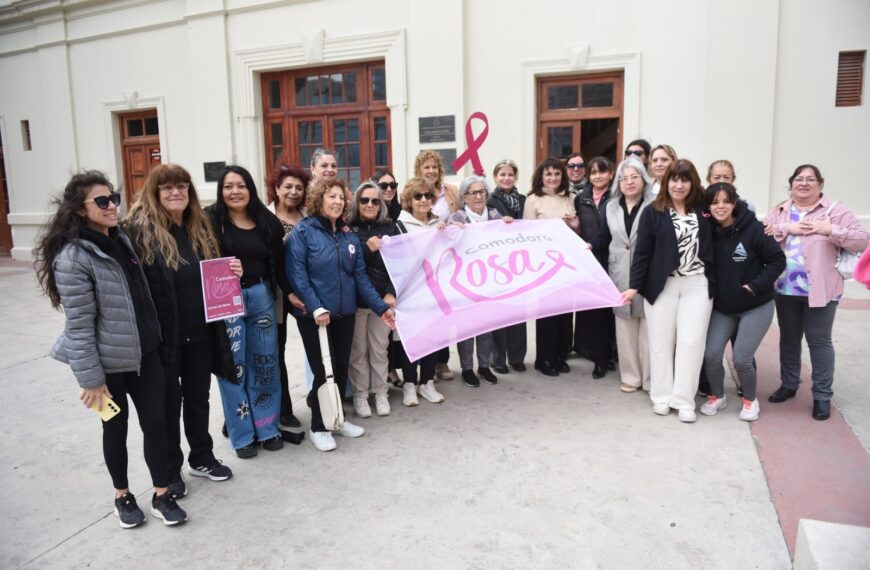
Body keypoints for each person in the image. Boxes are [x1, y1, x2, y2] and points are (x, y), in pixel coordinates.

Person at [36, 171, 187, 528]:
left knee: (157, 423)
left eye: (113, 198)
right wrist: (90, 380)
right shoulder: (73, 258)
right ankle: (123, 496)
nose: (111, 206)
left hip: (145, 356)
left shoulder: (121, 240)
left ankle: (161, 493)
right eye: (102, 201)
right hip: (106, 369)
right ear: (79, 209)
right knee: (114, 428)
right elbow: (79, 326)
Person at [124, 164, 236, 499]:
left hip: (201, 332)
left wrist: (233, 270)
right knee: (168, 405)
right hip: (164, 337)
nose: (176, 192)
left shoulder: (199, 227)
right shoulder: (139, 232)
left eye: (182, 186)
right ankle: (171, 469)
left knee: (199, 399)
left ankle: (201, 457)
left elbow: (214, 274)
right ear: (154, 193)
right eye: (167, 187)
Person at [287, 178, 395, 451]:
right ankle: (319, 427)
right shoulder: (303, 232)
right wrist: (315, 307)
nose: (337, 201)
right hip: (315, 316)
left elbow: (360, 278)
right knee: (323, 372)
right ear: (318, 199)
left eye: (340, 197)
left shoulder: (348, 236)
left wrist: (381, 308)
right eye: (331, 196)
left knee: (341, 368)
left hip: (345, 313)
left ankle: (337, 419)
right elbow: (298, 275)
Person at [763, 164, 869, 420]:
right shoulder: (780, 210)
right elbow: (761, 233)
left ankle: (822, 395)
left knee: (819, 341)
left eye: (810, 179)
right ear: (791, 184)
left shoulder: (836, 211)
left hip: (821, 289)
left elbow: (862, 239)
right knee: (789, 338)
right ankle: (789, 384)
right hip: (785, 289)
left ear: (820, 184)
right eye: (799, 179)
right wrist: (787, 228)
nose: (804, 183)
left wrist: (830, 230)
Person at [623, 159, 715, 423]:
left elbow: (733, 213)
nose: (679, 185)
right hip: (662, 285)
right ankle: (661, 397)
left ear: (692, 182)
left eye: (685, 179)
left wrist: (771, 225)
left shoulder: (704, 210)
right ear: (666, 182)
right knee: (660, 343)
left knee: (691, 343)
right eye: (674, 179)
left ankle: (684, 400)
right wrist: (634, 286)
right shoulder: (654, 211)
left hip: (698, 284)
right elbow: (642, 252)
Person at [207, 165, 287, 458]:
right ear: (221, 191)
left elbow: (278, 261)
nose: (235, 191)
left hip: (260, 295)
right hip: (225, 300)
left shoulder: (267, 221)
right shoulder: (208, 221)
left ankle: (267, 428)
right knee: (233, 368)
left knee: (265, 363)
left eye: (241, 185)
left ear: (250, 189)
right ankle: (242, 436)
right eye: (228, 186)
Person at [700, 183, 785, 421]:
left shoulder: (754, 229)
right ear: (708, 207)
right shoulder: (707, 231)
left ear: (735, 203)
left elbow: (777, 261)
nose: (721, 207)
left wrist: (754, 286)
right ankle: (717, 396)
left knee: (741, 358)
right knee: (711, 354)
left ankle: (749, 400)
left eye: (726, 201)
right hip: (724, 307)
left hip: (755, 305)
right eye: (715, 202)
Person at [593, 157, 653, 393]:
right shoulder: (611, 206)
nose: (629, 182)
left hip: (647, 273)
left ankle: (650, 380)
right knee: (625, 329)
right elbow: (604, 238)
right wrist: (588, 246)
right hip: (618, 272)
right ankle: (631, 377)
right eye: (624, 178)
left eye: (634, 177)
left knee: (648, 330)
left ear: (643, 179)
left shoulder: (655, 204)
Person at [448, 175, 514, 387]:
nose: (478, 196)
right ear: (464, 197)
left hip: (490, 279)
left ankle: (484, 366)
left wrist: (508, 226)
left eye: (481, 192)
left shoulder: (495, 215)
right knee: (467, 328)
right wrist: (449, 230)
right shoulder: (457, 217)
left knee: (486, 326)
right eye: (473, 193)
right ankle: (467, 369)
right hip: (465, 281)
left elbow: (506, 242)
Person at [394, 177, 449, 404]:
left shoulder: (439, 224)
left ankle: (427, 382)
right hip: (410, 293)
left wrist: (452, 231)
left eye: (427, 195)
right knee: (412, 338)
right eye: (418, 196)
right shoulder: (398, 226)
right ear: (409, 200)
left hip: (435, 291)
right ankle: (409, 383)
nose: (424, 200)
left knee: (432, 336)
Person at [265, 163, 312, 428]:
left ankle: (321, 400)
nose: (293, 192)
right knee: (276, 351)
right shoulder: (265, 218)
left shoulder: (309, 216)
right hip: (277, 295)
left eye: (299, 188)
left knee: (316, 347)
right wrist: (287, 290)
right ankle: (283, 410)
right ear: (277, 189)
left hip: (307, 292)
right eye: (288, 187)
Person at [348, 180, 399, 418]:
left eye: (375, 201)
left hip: (382, 302)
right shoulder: (348, 229)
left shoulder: (391, 228)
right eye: (364, 200)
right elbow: (350, 267)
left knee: (380, 349)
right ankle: (360, 395)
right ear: (357, 203)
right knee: (358, 351)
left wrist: (391, 292)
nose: (370, 204)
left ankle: (380, 393)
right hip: (357, 302)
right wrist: (367, 250)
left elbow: (400, 264)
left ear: (381, 205)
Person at [524, 157, 577, 377]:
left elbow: (576, 230)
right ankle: (544, 359)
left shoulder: (571, 197)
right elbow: (526, 235)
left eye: (557, 173)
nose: (553, 178)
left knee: (565, 313)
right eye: (548, 174)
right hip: (544, 265)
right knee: (548, 314)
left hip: (567, 263)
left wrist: (575, 225)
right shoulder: (533, 200)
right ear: (541, 176)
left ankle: (560, 356)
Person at [413, 150, 458, 380]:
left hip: (445, 260)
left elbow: (458, 217)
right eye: (426, 167)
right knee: (425, 315)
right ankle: (424, 364)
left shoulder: (450, 191)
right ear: (419, 170)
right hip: (421, 263)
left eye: (434, 167)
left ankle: (442, 362)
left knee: (444, 313)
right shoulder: (413, 191)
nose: (431, 171)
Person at [573, 156, 615, 378]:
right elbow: (578, 229)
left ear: (611, 173)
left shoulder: (617, 196)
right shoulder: (581, 198)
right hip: (590, 260)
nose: (598, 176)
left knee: (612, 312)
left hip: (613, 259)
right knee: (595, 313)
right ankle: (600, 360)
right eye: (594, 172)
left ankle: (611, 354)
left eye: (602, 171)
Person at [486, 159, 528, 374]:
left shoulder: (524, 200)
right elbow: (489, 226)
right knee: (500, 313)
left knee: (519, 312)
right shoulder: (490, 200)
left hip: (521, 261)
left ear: (515, 177)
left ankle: (517, 357)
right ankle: (498, 359)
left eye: (510, 174)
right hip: (499, 262)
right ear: (495, 177)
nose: (506, 178)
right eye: (502, 174)